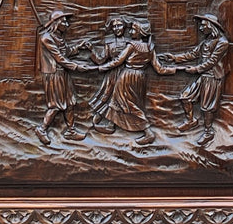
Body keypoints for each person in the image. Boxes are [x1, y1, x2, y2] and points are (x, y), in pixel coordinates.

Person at [101, 18, 174, 147]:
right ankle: (110, 125)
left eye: (134, 29)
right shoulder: (150, 48)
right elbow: (159, 68)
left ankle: (148, 132)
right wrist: (174, 70)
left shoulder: (132, 46)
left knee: (128, 103)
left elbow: (118, 60)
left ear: (141, 32)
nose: (131, 32)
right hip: (140, 78)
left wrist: (104, 67)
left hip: (127, 76)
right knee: (118, 100)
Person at [167, 12, 229, 144]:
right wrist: (175, 58)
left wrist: (195, 69)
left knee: (207, 107)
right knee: (185, 96)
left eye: (203, 25)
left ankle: (208, 132)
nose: (200, 28)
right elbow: (193, 54)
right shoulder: (205, 42)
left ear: (210, 26)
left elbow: (212, 61)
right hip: (203, 76)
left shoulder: (222, 42)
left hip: (213, 77)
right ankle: (191, 121)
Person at [35, 10, 93, 147]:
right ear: (56, 23)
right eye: (64, 21)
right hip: (54, 74)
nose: (67, 24)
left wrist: (79, 46)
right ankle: (41, 129)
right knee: (56, 104)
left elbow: (65, 52)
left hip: (63, 73)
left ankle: (70, 130)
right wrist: (77, 67)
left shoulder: (58, 37)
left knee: (70, 102)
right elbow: (59, 58)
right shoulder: (46, 38)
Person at [87, 15, 127, 133]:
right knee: (107, 95)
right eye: (114, 26)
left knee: (120, 98)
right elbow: (101, 59)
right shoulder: (109, 43)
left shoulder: (130, 42)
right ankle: (99, 116)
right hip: (112, 73)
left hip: (125, 74)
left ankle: (112, 122)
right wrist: (92, 50)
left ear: (124, 26)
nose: (116, 28)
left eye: (119, 25)